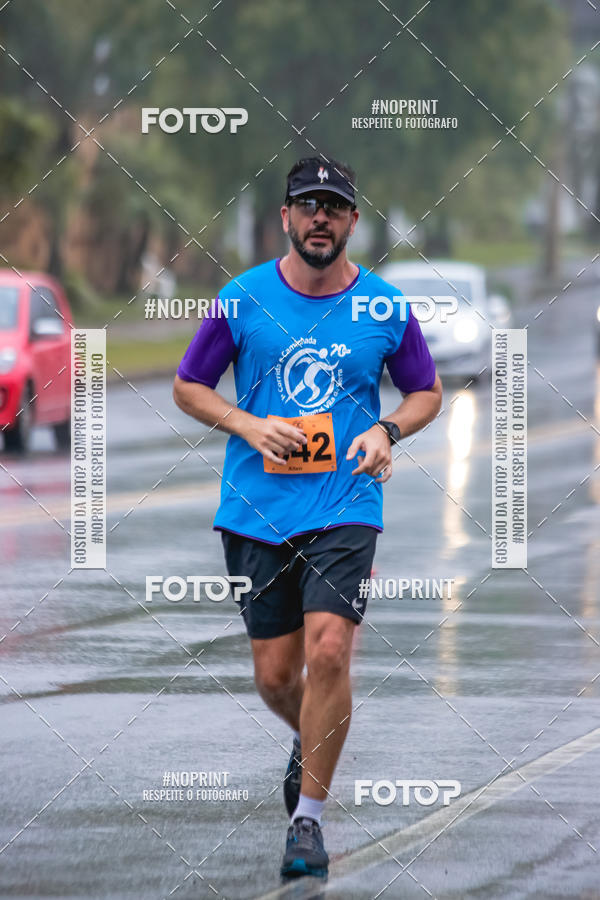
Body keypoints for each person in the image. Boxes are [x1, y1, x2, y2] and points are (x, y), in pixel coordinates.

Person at [173, 156, 442, 880]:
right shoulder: (242, 298)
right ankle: (313, 737)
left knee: (329, 654)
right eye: (307, 205)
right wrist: (248, 425)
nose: (320, 217)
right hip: (256, 511)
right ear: (286, 217)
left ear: (354, 221)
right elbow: (188, 385)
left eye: (335, 206)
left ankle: (308, 823)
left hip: (347, 503)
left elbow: (426, 393)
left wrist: (387, 431)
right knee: (276, 676)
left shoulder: (384, 307)